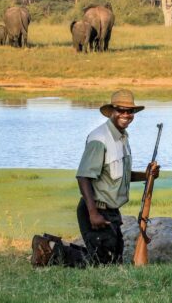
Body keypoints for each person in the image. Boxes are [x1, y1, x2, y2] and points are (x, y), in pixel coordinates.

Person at [30, 89, 159, 267]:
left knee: (112, 260)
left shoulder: (122, 138)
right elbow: (83, 176)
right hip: (97, 210)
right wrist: (93, 213)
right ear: (112, 111)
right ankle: (50, 249)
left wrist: (147, 175)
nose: (126, 115)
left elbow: (119, 175)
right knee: (103, 263)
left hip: (112, 211)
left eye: (130, 111)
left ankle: (52, 246)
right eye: (121, 110)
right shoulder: (100, 138)